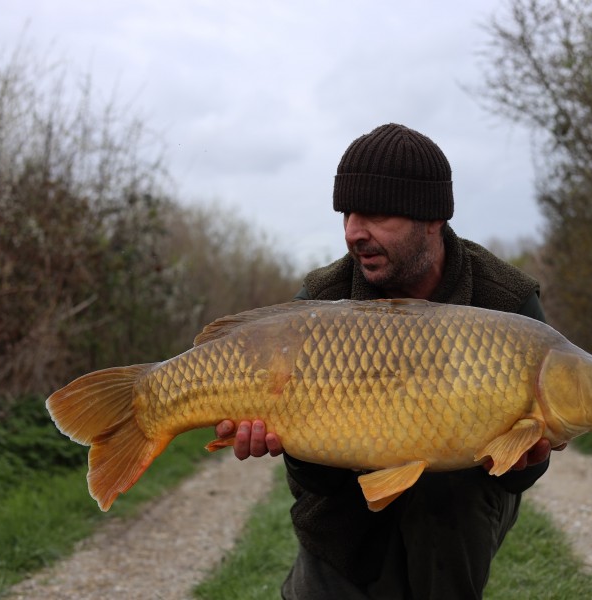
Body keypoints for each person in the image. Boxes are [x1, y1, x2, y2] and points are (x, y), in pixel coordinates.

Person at [215, 123, 562, 599]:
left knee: (446, 496)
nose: (355, 233)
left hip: (460, 500)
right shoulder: (323, 300)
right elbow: (314, 480)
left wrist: (526, 458)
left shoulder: (505, 300)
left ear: (433, 220)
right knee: (344, 550)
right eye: (348, 214)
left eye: (376, 215)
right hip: (342, 500)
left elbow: (523, 472)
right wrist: (280, 441)